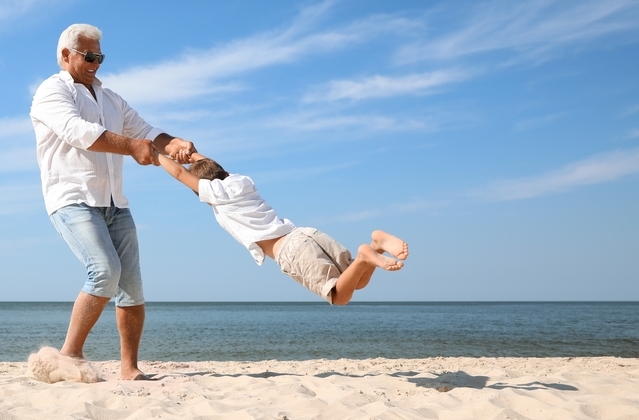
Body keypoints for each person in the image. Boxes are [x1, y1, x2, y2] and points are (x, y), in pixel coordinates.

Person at [27, 23, 196, 382]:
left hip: (115, 202)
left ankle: (129, 369)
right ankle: (69, 355)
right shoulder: (50, 92)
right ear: (65, 55)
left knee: (131, 285)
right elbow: (79, 133)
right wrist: (133, 148)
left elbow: (146, 132)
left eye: (100, 56)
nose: (95, 63)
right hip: (72, 198)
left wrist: (175, 143)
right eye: (88, 56)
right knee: (104, 270)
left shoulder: (111, 98)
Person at [156, 152, 408, 305]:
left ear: (200, 186)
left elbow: (179, 174)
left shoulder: (216, 194)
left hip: (289, 250)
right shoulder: (240, 182)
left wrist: (156, 154)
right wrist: (194, 156)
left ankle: (366, 253)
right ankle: (375, 246)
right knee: (355, 282)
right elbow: (212, 167)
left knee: (340, 296)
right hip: (305, 233)